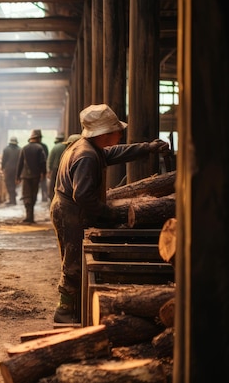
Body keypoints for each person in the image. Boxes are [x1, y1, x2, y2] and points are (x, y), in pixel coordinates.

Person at [50, 104, 169, 323]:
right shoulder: (86, 156)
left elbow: (115, 152)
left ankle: (72, 308)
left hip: (70, 209)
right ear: (104, 133)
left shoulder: (90, 147)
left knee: (72, 258)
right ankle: (64, 311)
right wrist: (109, 213)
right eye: (117, 130)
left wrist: (148, 148)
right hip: (70, 212)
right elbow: (83, 196)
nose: (121, 133)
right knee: (73, 261)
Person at [16, 129, 47, 223]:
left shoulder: (24, 148)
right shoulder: (39, 148)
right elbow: (43, 162)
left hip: (25, 176)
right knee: (33, 195)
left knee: (26, 195)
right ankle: (31, 217)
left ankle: (28, 216)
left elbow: (20, 163)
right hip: (35, 176)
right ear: (38, 138)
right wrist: (44, 173)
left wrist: (17, 176)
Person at [1, 136, 21, 205]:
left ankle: (12, 200)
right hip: (17, 170)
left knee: (9, 184)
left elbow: (4, 160)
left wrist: (2, 168)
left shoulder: (6, 149)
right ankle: (13, 199)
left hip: (8, 169)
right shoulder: (20, 150)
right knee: (14, 184)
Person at [46, 132, 66, 201]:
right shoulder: (65, 146)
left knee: (53, 185)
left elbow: (50, 160)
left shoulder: (55, 147)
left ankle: (52, 200)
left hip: (55, 169)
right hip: (63, 169)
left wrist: (49, 170)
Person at [37, 131, 50, 202]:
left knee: (36, 184)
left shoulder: (32, 146)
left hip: (35, 169)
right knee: (43, 184)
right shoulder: (44, 146)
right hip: (42, 168)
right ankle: (43, 197)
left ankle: (34, 198)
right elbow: (47, 157)